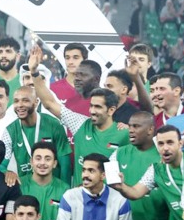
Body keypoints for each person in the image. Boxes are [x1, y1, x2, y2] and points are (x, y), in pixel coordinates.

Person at [28, 45, 126, 186]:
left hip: (108, 201)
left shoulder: (124, 133)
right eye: (91, 106)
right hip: (80, 199)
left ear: (111, 110)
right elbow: (49, 103)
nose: (92, 110)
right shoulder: (80, 124)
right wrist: (34, 72)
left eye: (98, 107)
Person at [2, 85, 72, 183]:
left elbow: (65, 164)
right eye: (16, 101)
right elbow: (1, 164)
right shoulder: (9, 131)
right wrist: (7, 172)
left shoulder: (53, 124)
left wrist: (65, 191)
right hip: (26, 189)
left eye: (25, 100)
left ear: (36, 102)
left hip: (52, 188)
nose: (20, 105)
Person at [19, 141, 71, 220]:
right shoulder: (19, 185)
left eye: (47, 159)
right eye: (38, 158)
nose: (42, 163)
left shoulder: (65, 189)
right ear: (31, 162)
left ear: (54, 163)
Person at [49, 42, 92, 115]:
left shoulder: (94, 90)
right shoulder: (52, 89)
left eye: (75, 58)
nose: (70, 62)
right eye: (67, 58)